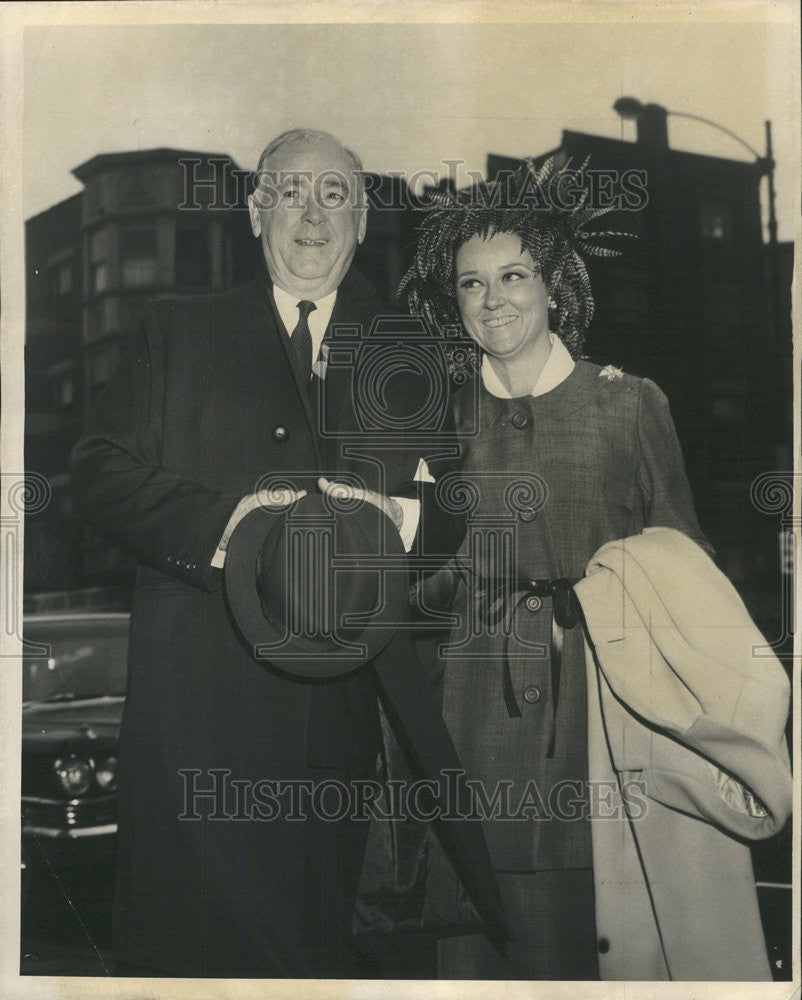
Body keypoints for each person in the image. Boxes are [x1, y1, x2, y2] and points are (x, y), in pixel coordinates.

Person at [69, 128, 506, 979]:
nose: (314, 214)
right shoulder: (174, 329)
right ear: (256, 209)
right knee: (188, 959)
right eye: (294, 191)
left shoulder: (409, 347)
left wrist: (400, 522)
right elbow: (97, 469)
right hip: (194, 714)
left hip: (337, 720)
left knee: (312, 958)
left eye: (337, 195)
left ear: (365, 219)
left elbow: (456, 503)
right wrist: (229, 528)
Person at [400, 155, 786, 980]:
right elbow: (412, 579)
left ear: (554, 284)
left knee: (588, 940)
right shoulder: (434, 416)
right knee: (467, 943)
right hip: (467, 715)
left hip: (598, 719)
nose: (494, 298)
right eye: (472, 284)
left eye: (514, 274)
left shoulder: (628, 403)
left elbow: (686, 570)